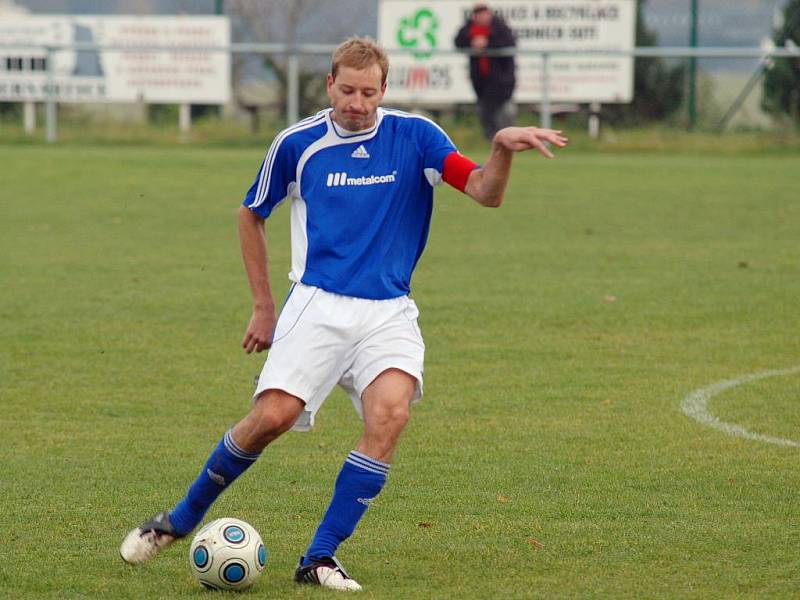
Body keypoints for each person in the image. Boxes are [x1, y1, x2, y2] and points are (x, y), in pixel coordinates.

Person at [119, 36, 566, 592]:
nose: (357, 102)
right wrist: (263, 307)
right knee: (271, 419)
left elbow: (483, 192)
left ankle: (320, 557)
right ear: (329, 84)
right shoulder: (298, 144)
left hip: (389, 311)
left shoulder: (417, 137)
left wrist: (499, 149)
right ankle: (178, 520)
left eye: (368, 92)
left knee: (390, 416)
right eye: (347, 90)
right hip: (317, 303)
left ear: (384, 90)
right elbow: (249, 214)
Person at [454, 4, 517, 140]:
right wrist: (473, 43)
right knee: (486, 108)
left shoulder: (499, 27)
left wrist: (487, 44)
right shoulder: (469, 29)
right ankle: (494, 138)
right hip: (480, 78)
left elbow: (509, 42)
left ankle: (500, 137)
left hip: (501, 78)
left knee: (498, 109)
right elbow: (458, 41)